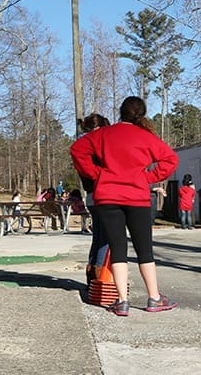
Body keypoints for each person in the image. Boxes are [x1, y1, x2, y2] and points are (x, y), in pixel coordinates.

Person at [70, 96, 179, 316]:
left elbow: (77, 151)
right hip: (137, 197)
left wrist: (96, 174)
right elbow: (171, 160)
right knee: (144, 249)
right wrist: (148, 177)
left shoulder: (102, 134)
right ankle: (154, 298)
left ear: (121, 112)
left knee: (118, 248)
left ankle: (122, 301)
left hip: (107, 196)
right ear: (142, 114)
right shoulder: (145, 136)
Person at [76, 112, 111, 284]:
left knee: (97, 237)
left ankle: (91, 276)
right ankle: (100, 277)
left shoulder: (82, 147)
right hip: (102, 194)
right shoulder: (97, 148)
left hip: (90, 196)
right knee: (106, 238)